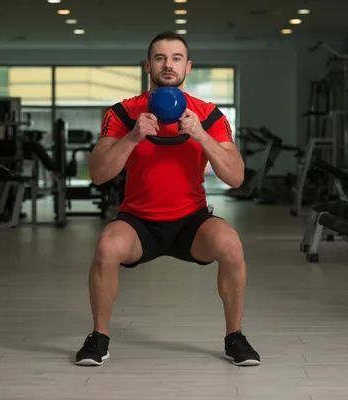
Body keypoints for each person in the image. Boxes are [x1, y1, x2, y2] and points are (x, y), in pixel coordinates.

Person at [75, 31, 260, 367]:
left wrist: (201, 135)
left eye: (176, 58)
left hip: (191, 222)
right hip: (138, 222)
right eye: (160, 58)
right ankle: (98, 337)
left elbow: (235, 178)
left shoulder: (209, 114)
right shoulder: (122, 112)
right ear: (148, 65)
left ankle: (235, 336)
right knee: (106, 247)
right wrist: (133, 136)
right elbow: (98, 174)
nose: (168, 65)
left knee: (231, 244)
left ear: (188, 66)